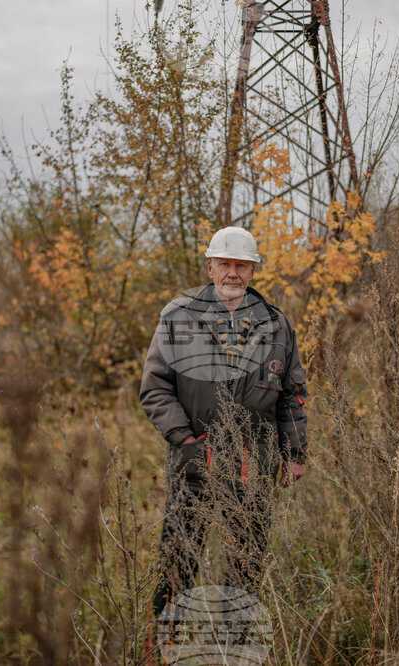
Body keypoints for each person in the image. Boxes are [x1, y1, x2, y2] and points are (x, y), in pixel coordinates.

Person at [139, 226, 309, 618]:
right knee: (178, 558)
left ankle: (236, 644)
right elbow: (155, 387)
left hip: (254, 463)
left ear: (252, 272)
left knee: (247, 564)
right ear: (211, 266)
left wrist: (294, 453)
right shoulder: (178, 317)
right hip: (194, 461)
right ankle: (166, 640)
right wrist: (184, 440)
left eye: (242, 266)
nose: (233, 273)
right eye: (226, 264)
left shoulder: (275, 323)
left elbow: (292, 394)